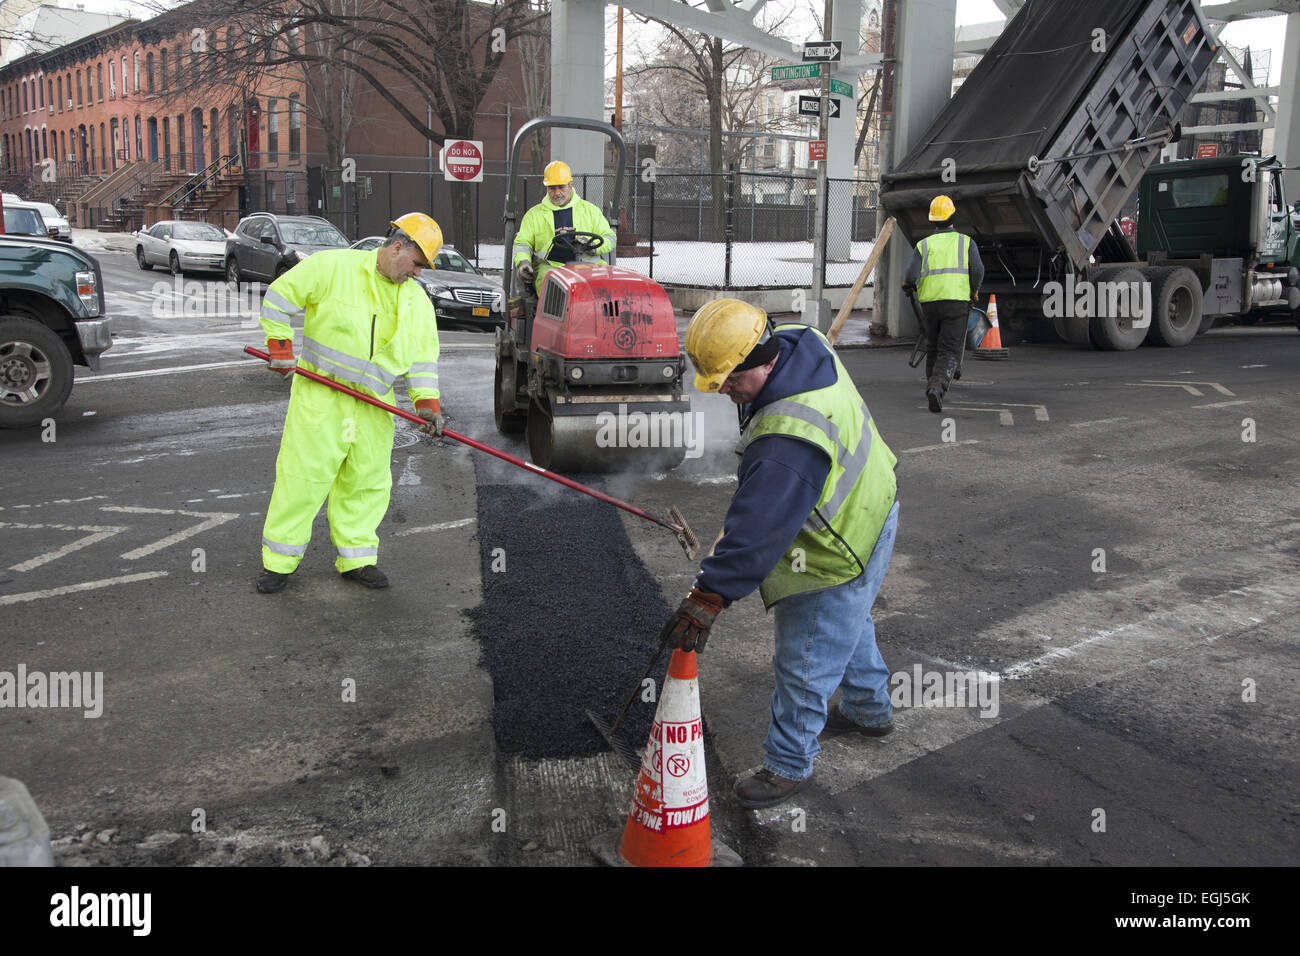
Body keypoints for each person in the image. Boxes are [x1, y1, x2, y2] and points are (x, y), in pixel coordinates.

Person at [660, 299, 900, 810]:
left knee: (806, 657)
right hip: (875, 506)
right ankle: (869, 709)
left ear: (763, 361)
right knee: (851, 621)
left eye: (730, 380)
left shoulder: (788, 439)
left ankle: (789, 764)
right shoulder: (800, 342)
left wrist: (710, 593)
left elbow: (756, 531)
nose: (723, 390)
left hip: (834, 545)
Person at [256, 212, 446, 594]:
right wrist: (280, 346)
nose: (420, 273)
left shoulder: (417, 303)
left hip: (374, 405)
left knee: (367, 483)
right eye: (417, 263)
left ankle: (357, 559)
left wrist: (428, 405)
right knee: (303, 479)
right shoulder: (331, 268)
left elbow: (422, 360)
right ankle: (279, 562)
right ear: (397, 247)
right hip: (322, 397)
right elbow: (279, 298)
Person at [902, 194, 984, 413]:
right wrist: (973, 291)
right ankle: (937, 388)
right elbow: (977, 270)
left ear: (932, 220)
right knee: (949, 348)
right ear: (953, 217)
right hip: (956, 302)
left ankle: (932, 383)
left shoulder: (923, 245)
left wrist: (908, 286)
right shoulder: (966, 243)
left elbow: (910, 276)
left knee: (933, 346)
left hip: (929, 304)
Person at [512, 160, 616, 295]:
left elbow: (609, 238)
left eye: (561, 187)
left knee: (611, 285)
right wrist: (524, 262)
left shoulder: (590, 211)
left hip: (590, 267)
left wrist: (593, 246)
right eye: (552, 188)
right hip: (551, 267)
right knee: (547, 282)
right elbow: (522, 243)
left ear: (570, 185)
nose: (557, 193)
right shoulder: (534, 215)